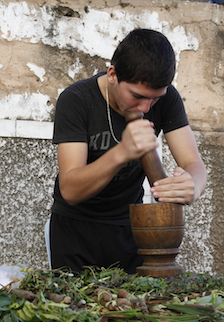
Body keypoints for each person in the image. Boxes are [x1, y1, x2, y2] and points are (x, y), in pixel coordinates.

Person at [49, 29, 207, 274]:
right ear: (112, 74)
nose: (145, 107)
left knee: (132, 309)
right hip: (75, 229)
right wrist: (121, 152)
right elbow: (70, 189)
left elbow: (192, 161)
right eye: (137, 96)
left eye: (155, 99)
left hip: (131, 228)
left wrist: (193, 186)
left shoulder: (167, 99)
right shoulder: (76, 100)